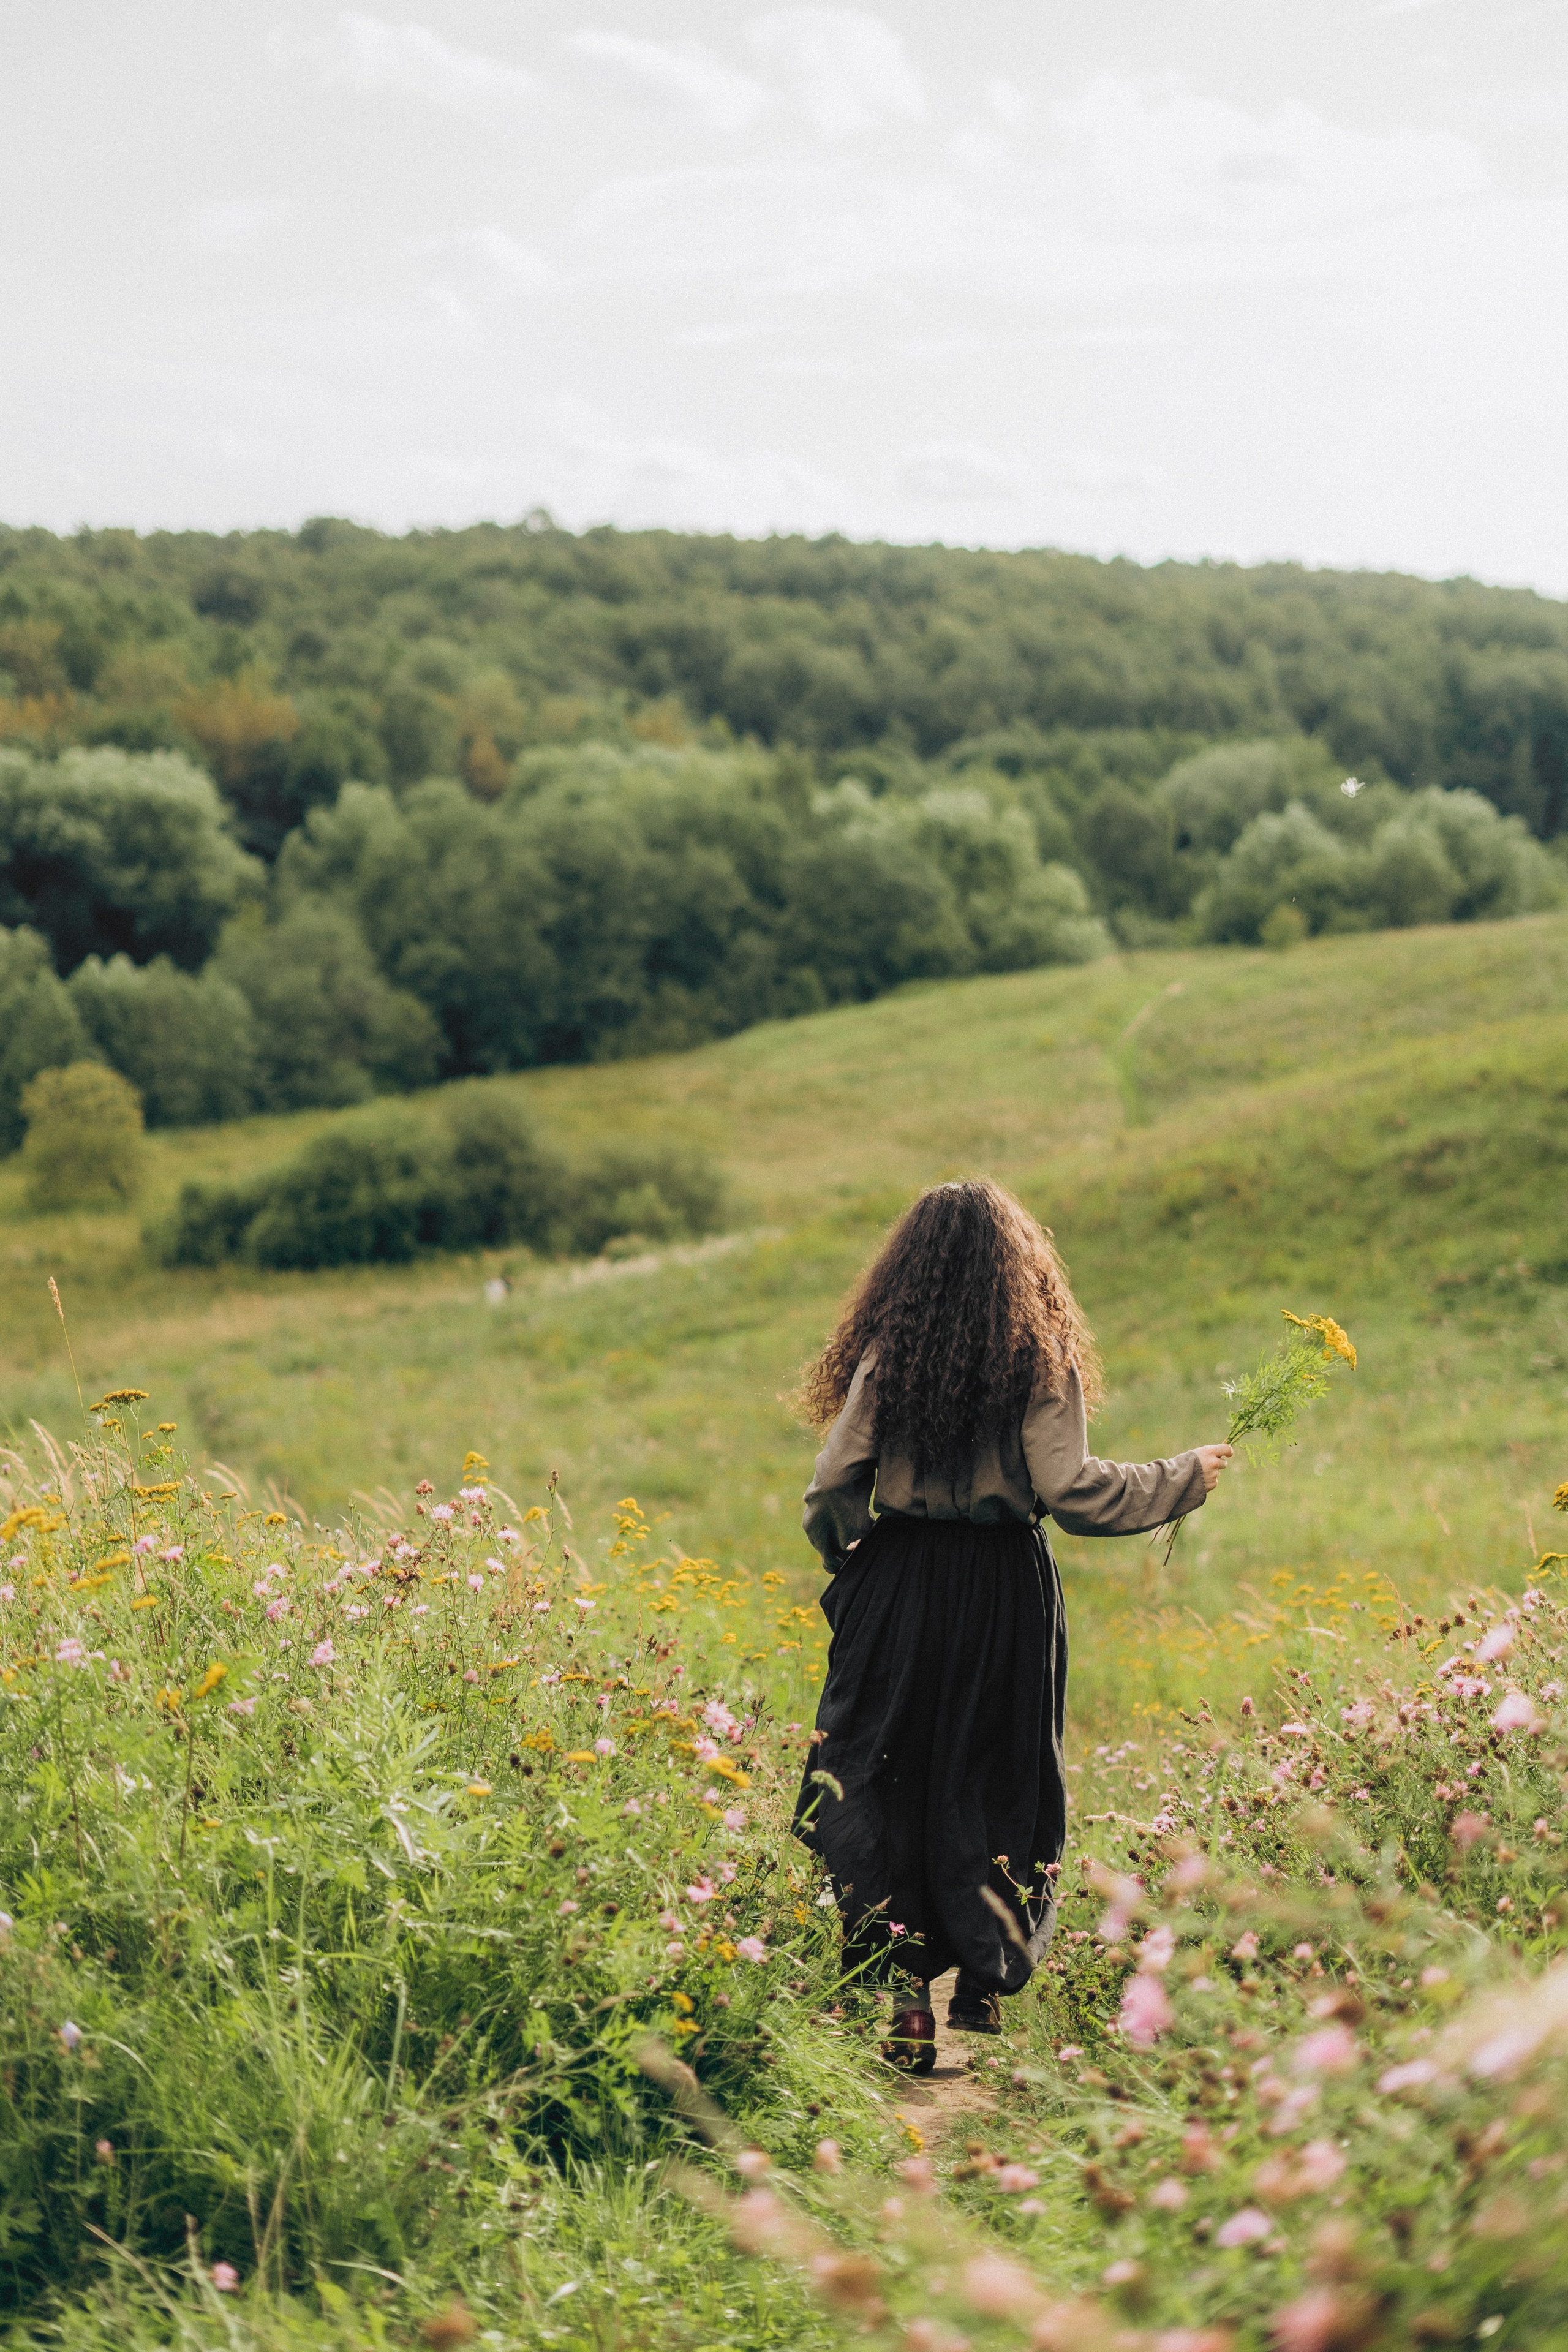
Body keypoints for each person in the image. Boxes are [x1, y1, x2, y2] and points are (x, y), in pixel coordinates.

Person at [792, 1178, 1231, 2073]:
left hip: (903, 1581)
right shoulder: (1040, 1356)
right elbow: (1073, 1492)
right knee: (1000, 1774)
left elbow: (833, 1482)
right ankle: (985, 1981)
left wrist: (855, 1565)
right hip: (1003, 1590)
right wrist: (1184, 1474)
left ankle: (905, 1996)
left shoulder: (890, 1353)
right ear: (1018, 1266)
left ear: (905, 1270)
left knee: (883, 1778)